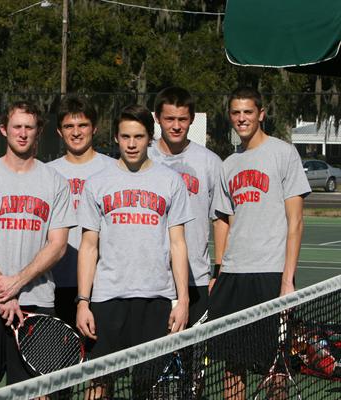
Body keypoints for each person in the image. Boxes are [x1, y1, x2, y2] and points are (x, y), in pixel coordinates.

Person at [0, 100, 75, 396]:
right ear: (3, 130)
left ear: (39, 132)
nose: (22, 134)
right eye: (17, 127)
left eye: (29, 127)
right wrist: (2, 290)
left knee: (35, 390)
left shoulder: (56, 183)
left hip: (36, 302)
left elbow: (58, 245)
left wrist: (16, 284)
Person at [76, 104, 193, 397]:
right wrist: (82, 302)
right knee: (99, 383)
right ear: (116, 137)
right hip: (108, 300)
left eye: (138, 137)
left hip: (156, 300)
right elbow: (89, 246)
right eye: (125, 136)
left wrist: (182, 300)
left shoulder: (170, 181)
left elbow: (178, 243)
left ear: (150, 138)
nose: (131, 144)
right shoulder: (96, 183)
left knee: (149, 387)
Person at [210, 87, 311, 399]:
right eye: (236, 113)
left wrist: (287, 280)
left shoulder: (283, 153)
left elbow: (295, 221)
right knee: (231, 364)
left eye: (248, 112)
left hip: (270, 274)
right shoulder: (228, 164)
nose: (242, 118)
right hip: (234, 275)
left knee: (275, 366)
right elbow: (223, 222)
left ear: (261, 114)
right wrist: (218, 271)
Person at [149, 86, 225, 325]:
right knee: (150, 357)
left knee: (190, 357)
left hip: (196, 278)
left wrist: (218, 271)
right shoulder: (143, 157)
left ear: (192, 119)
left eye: (182, 119)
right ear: (157, 118)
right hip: (149, 279)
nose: (176, 125)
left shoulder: (210, 162)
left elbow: (221, 218)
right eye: (169, 118)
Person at [48, 96, 113, 328]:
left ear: (94, 128)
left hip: (102, 285)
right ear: (59, 131)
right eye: (69, 126)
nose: (76, 132)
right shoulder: (47, 173)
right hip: (56, 284)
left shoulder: (113, 170)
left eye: (82, 125)